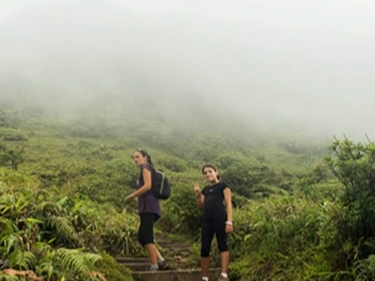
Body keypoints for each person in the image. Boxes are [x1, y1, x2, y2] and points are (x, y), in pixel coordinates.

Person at [125, 149, 168, 271]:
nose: (135, 159)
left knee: (147, 235)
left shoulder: (146, 167)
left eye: (138, 157)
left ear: (145, 158)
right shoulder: (144, 169)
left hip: (149, 206)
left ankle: (154, 265)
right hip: (145, 207)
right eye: (134, 157)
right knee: (141, 237)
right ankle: (160, 260)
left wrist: (132, 196)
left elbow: (148, 186)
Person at [194, 163, 233, 281]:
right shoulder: (206, 190)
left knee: (222, 244)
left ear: (216, 172)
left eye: (210, 171)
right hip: (207, 220)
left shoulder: (223, 186)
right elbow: (201, 207)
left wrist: (229, 221)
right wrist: (198, 194)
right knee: (204, 248)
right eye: (205, 173)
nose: (208, 174)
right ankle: (205, 277)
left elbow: (228, 203)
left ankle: (224, 275)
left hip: (220, 218)